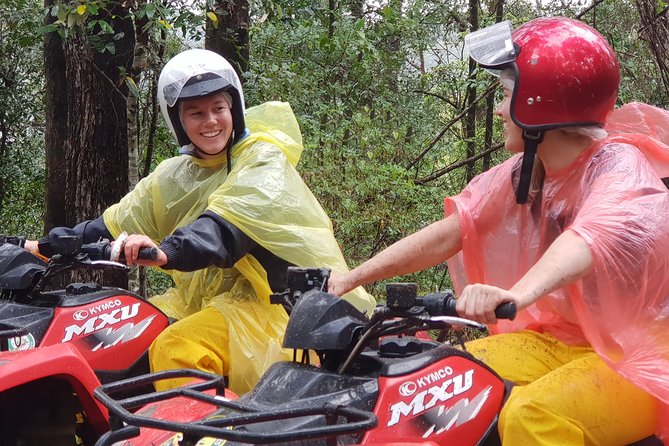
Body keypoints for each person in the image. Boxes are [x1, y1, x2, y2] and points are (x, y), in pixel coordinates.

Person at [328, 17, 669, 445]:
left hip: (639, 356)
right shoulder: (528, 173)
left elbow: (589, 238)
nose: (497, 109)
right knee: (441, 379)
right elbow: (451, 231)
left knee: (531, 415)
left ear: (541, 106)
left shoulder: (619, 167)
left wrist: (517, 295)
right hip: (562, 343)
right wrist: (350, 278)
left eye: (506, 96)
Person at [25, 48, 375, 395]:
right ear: (178, 121)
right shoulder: (175, 176)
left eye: (218, 109)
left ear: (234, 110)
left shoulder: (262, 160)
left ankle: (204, 436)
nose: (210, 122)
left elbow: (223, 229)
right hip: (212, 306)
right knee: (122, 327)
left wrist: (165, 252)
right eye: (196, 113)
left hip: (282, 311)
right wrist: (39, 247)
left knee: (179, 348)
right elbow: (111, 225)